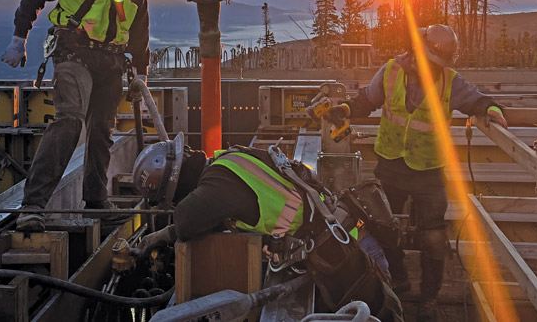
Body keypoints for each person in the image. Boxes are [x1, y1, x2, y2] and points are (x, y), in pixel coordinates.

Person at [326, 24, 507, 322]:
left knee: (434, 237)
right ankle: (396, 279)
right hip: (391, 163)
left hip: (429, 169)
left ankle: (429, 298)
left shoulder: (450, 81)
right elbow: (366, 100)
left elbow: (476, 100)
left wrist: (492, 110)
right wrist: (344, 108)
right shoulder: (391, 71)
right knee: (382, 226)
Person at [132, 134, 404, 322]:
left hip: (351, 257)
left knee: (379, 313)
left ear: (175, 187)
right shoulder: (229, 161)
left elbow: (186, 221)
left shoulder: (217, 183)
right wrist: (160, 236)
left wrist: (160, 235)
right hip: (344, 242)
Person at [0, 0, 150, 232]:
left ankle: (96, 200)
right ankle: (33, 204)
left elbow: (140, 33)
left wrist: (141, 73)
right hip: (74, 54)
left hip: (111, 62)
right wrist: (18, 38)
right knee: (69, 119)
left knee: (102, 130)